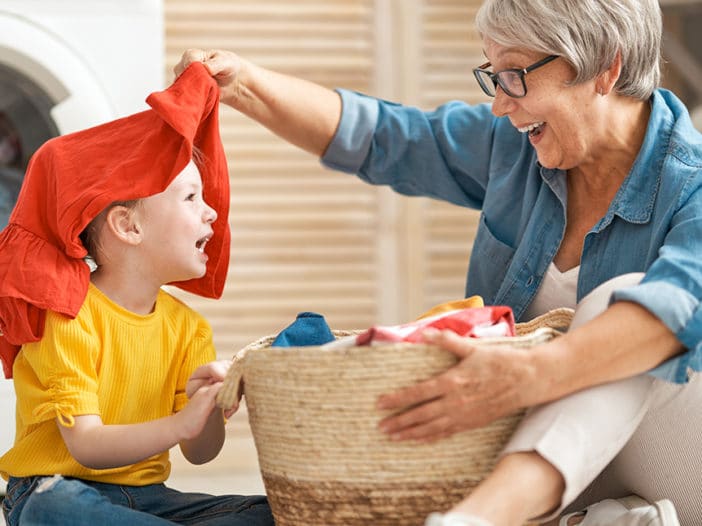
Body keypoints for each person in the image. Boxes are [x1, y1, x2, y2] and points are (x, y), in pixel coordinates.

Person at [174, 0, 702, 524]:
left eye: (515, 75)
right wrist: (241, 83)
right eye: (492, 77)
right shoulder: (513, 149)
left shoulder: (692, 183)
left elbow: (681, 304)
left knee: (626, 307)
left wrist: (534, 374)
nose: (500, 104)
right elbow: (385, 137)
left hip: (676, 458)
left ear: (606, 66)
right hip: (553, 465)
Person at [0, 64, 274, 525]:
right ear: (129, 226)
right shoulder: (66, 316)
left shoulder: (189, 328)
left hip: (149, 499)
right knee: (53, 508)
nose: (211, 214)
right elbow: (86, 445)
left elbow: (201, 453)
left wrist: (206, 405)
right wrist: (179, 424)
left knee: (274, 513)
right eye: (190, 198)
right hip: (59, 488)